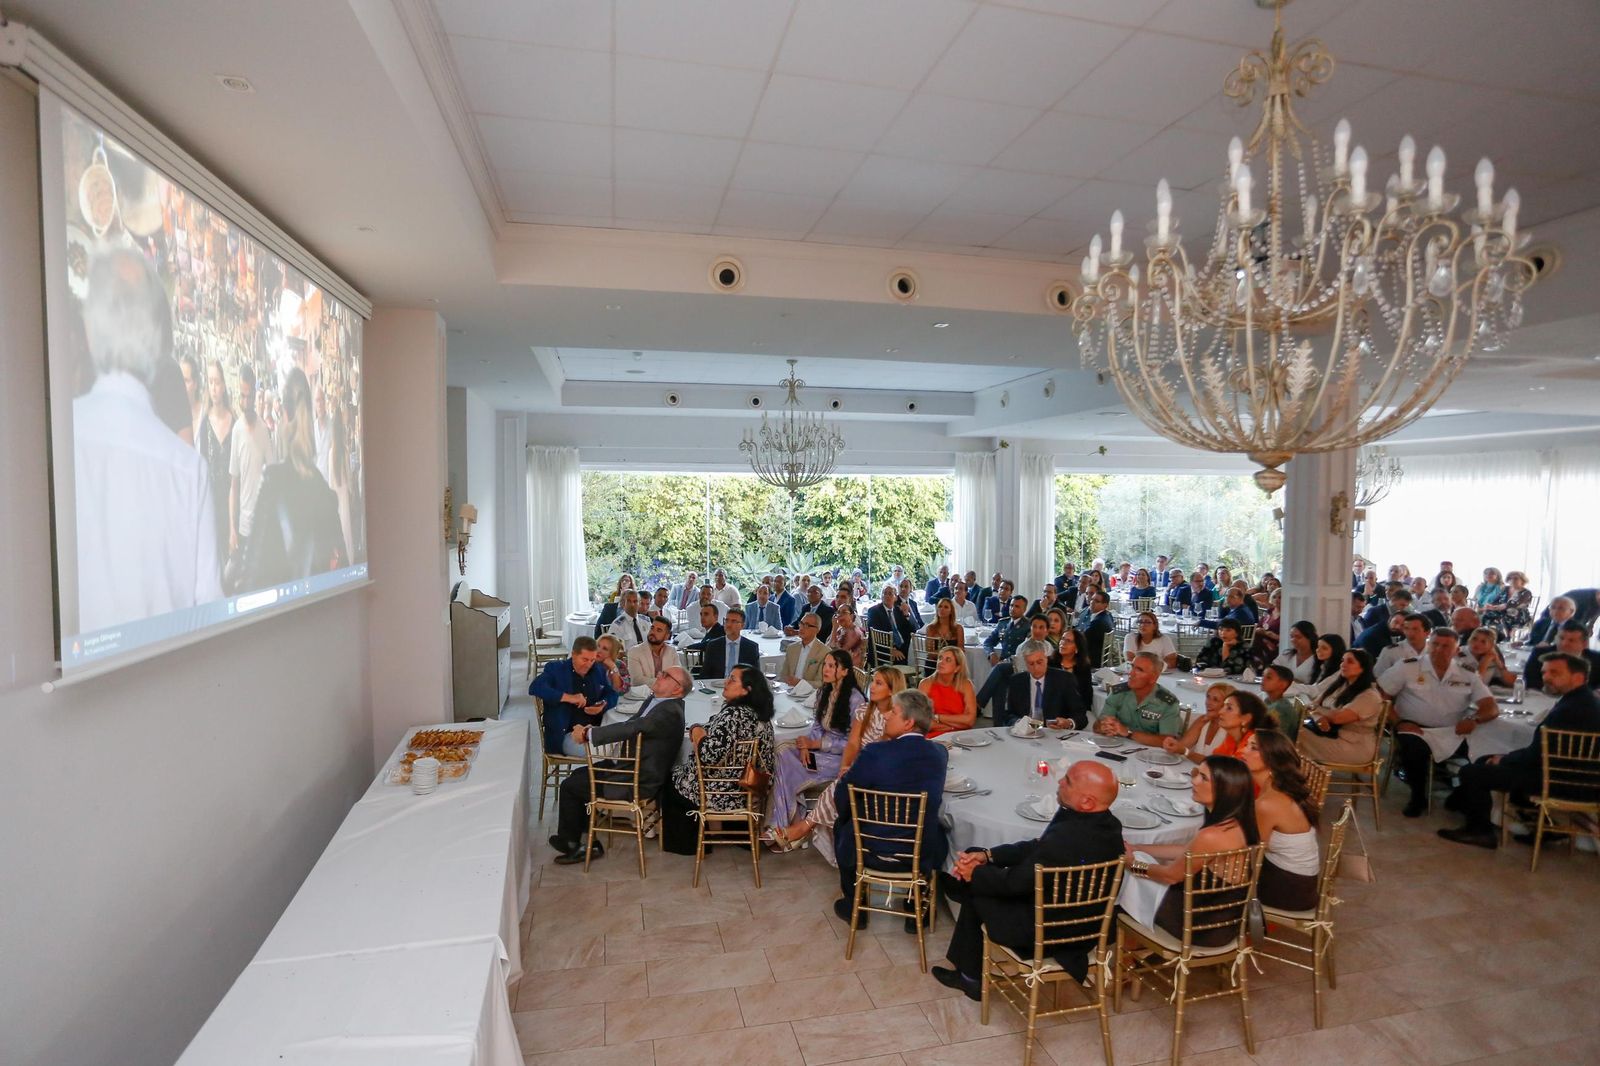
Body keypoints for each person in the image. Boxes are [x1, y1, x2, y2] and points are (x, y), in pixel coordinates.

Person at [72, 249, 223, 632]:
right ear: (159, 341)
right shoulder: (189, 470)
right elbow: (210, 618)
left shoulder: (59, 443)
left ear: (89, 332)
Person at [931, 760, 1124, 1000]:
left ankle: (970, 978)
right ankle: (958, 886)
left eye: (1067, 781)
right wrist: (988, 855)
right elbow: (1037, 848)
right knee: (977, 861)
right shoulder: (1108, 826)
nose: (1059, 782)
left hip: (1048, 932)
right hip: (1082, 924)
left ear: (1087, 801)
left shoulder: (1068, 838)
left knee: (978, 890)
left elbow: (1015, 883)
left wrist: (975, 875)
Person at [1438, 652, 1600, 849]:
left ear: (1578, 677)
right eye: (1544, 672)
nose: (1546, 677)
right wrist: (1505, 759)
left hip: (1565, 781)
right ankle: (1543, 827)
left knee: (1472, 772)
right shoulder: (1582, 700)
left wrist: (1505, 759)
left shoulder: (1572, 709)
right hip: (1572, 776)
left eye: (1555, 673)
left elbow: (1540, 755)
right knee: (1485, 760)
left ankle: (1479, 831)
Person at [829, 690, 949, 926]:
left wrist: (850, 816)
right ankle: (917, 908)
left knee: (842, 825)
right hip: (919, 853)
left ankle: (855, 907)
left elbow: (843, 794)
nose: (885, 716)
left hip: (872, 850)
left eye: (893, 712)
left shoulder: (875, 753)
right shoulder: (939, 755)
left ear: (908, 722)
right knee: (939, 828)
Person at [548, 667, 690, 865]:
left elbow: (633, 727)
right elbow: (630, 724)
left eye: (666, 676)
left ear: (677, 689)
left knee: (570, 786)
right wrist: (593, 730)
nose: (659, 675)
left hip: (638, 779)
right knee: (578, 775)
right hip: (628, 767)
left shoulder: (669, 711)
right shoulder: (657, 701)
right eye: (662, 672)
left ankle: (573, 844)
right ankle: (584, 833)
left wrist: (589, 734)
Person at [765, 667, 907, 855]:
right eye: (873, 681)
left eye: (878, 683)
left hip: (878, 770)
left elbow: (889, 752)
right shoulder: (864, 711)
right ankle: (794, 824)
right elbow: (852, 743)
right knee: (785, 752)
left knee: (839, 786)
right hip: (859, 766)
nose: (872, 686)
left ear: (891, 690)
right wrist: (846, 765)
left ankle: (803, 828)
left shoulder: (897, 719)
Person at [1124, 756, 1258, 946]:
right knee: (1140, 862)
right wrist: (1138, 847)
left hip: (1199, 926)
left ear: (1225, 788)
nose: (1194, 781)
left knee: (1123, 879)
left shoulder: (1213, 835)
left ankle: (1112, 947)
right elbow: (1186, 851)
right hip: (1224, 920)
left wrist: (1132, 864)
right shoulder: (1237, 823)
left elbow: (1171, 876)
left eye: (1203, 778)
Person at [234, 366, 346, 588]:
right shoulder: (324, 491)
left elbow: (251, 577)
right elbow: (343, 572)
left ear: (285, 415)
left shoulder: (272, 482)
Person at [1378, 628, 1499, 817]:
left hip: (1453, 731)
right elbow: (1381, 696)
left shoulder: (1466, 673)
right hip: (1413, 728)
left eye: (1445, 646)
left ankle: (1459, 796)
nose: (1438, 649)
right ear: (1428, 645)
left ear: (1457, 650)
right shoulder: (1408, 667)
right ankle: (1418, 797)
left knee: (1487, 754)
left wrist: (1474, 719)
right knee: (1414, 750)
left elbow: (1491, 707)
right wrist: (1398, 722)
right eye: (1435, 644)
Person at [659, 664, 777, 855]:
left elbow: (708, 755)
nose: (725, 682)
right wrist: (700, 728)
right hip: (748, 790)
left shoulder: (734, 715)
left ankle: (689, 845)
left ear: (746, 689)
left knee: (671, 779)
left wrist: (697, 732)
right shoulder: (759, 714)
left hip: (721, 792)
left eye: (732, 679)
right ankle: (739, 835)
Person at [768, 650, 866, 831]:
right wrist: (806, 746)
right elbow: (817, 727)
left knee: (788, 765)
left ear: (845, 671)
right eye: (825, 665)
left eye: (832, 666)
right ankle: (789, 821)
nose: (825, 670)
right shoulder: (824, 692)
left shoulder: (855, 700)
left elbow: (855, 743)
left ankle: (783, 826)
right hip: (820, 751)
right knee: (781, 750)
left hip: (841, 759)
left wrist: (818, 744)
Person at [1238, 731, 1321, 910]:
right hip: (1299, 879)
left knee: (1212, 871)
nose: (1243, 751)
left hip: (1290, 889)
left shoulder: (1268, 803)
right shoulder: (1278, 788)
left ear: (1272, 759)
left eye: (1253, 748)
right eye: (1246, 745)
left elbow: (1249, 851)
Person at [529, 636, 619, 757]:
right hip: (566, 735)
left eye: (592, 660)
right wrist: (569, 697)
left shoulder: (597, 670)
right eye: (585, 659)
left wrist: (603, 704)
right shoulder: (556, 669)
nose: (588, 664)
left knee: (620, 745)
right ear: (574, 654)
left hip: (593, 731)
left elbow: (612, 694)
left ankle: (598, 769)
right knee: (608, 752)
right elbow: (535, 687)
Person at [1296, 649, 1385, 766]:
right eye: (1343, 660)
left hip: (1353, 746)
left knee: (1294, 735)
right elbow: (1313, 704)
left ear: (1363, 668)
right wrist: (1318, 717)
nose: (1343, 664)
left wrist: (1317, 711)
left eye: (1350, 662)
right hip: (1328, 734)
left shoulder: (1369, 696)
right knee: (1291, 730)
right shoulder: (1340, 685)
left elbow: (1338, 718)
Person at [227, 360, 273, 578]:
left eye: (249, 396)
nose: (246, 402)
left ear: (255, 395)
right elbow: (233, 485)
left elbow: (273, 477)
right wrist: (232, 528)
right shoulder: (236, 431)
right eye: (242, 396)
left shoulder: (264, 431)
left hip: (263, 527)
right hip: (243, 528)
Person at [1096, 652, 1184, 745]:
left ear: (1153, 678)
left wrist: (1128, 733)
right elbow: (1097, 725)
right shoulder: (1118, 693)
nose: (1131, 673)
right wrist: (1103, 727)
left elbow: (1168, 742)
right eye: (1132, 667)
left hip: (1152, 752)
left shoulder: (1167, 703)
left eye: (1139, 670)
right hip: (1118, 746)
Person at [197, 359, 235, 562]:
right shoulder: (204, 425)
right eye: (210, 382)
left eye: (217, 382)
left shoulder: (234, 422)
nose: (213, 387)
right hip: (212, 508)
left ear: (224, 385)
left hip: (232, 507)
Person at [1006, 647, 1087, 729]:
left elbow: (1080, 715)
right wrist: (1019, 723)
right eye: (1031, 664)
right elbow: (1009, 714)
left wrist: (1068, 723)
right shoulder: (1016, 681)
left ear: (1046, 660)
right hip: (1024, 733)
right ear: (1025, 664)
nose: (1036, 667)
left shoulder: (1064, 679)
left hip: (1055, 732)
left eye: (1039, 662)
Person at [1163, 681, 1235, 764]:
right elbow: (1181, 746)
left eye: (1215, 700)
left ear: (1227, 706)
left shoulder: (1232, 730)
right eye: (1208, 697)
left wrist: (1186, 752)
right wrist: (1171, 744)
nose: (1208, 703)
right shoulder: (1203, 721)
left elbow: (1218, 764)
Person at [1522, 620, 1600, 691]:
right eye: (1561, 638)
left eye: (1571, 640)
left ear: (1584, 644)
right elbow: (1529, 680)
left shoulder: (1596, 660)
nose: (1564, 644)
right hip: (1544, 696)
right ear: (1555, 638)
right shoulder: (1540, 653)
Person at [921, 645, 979, 735]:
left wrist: (938, 717)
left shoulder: (966, 685)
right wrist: (953, 726)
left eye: (948, 660)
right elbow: (923, 721)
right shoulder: (926, 684)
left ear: (957, 668)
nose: (941, 662)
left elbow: (970, 720)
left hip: (961, 736)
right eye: (940, 658)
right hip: (934, 735)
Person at [698, 606, 760, 679]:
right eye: (727, 620)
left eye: (733, 621)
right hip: (717, 684)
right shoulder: (713, 646)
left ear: (742, 625)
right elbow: (704, 674)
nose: (728, 625)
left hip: (740, 684)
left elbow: (756, 677)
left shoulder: (751, 647)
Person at [865, 584, 915, 664]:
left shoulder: (897, 610)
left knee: (916, 655)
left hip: (902, 646)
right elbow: (877, 635)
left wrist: (906, 614)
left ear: (895, 598)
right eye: (885, 593)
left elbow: (910, 630)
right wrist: (891, 649)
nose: (887, 596)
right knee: (902, 660)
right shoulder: (874, 611)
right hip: (883, 649)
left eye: (890, 594)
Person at [626, 616, 680, 684]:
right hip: (644, 691)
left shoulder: (672, 652)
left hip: (668, 690)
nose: (653, 632)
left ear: (667, 636)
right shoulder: (635, 651)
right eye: (652, 628)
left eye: (659, 630)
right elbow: (637, 680)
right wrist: (664, 683)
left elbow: (678, 676)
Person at [781, 613, 829, 687]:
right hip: (788, 689)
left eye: (807, 625)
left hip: (810, 692)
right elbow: (783, 675)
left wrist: (799, 683)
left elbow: (821, 683)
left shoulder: (824, 652)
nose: (802, 628)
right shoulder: (791, 648)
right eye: (801, 623)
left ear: (817, 630)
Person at [1052, 628, 1096, 709]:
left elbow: (1087, 696)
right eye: (1062, 639)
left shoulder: (1083, 667)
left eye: (1068, 641)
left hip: (1075, 710)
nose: (1063, 643)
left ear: (1077, 648)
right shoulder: (1050, 663)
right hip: (1053, 709)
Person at [1375, 613, 1430, 677]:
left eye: (1415, 629)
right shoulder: (1390, 652)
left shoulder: (1434, 651)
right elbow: (1378, 676)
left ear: (1427, 632)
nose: (1410, 633)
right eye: (1406, 628)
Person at [1260, 664, 1302, 741]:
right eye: (1263, 676)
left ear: (1282, 685)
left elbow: (1273, 739)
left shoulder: (1280, 709)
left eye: (1268, 677)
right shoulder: (1268, 701)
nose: (1263, 679)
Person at [1484, 570, 1534, 636]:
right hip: (1502, 612)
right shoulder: (1505, 589)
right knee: (1487, 615)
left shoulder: (1526, 592)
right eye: (1510, 578)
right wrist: (1490, 606)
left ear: (1522, 580)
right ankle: (1490, 634)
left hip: (1518, 615)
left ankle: (1505, 636)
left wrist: (1496, 607)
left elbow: (1513, 604)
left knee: (1504, 617)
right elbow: (1496, 601)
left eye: (1516, 578)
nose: (1512, 580)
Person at [1076, 590, 1115, 666]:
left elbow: (1081, 639)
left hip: (1092, 658)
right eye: (1092, 599)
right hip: (1098, 653)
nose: (1092, 602)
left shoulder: (1098, 622)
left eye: (1097, 601)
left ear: (1105, 605)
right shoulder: (1107, 615)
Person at [828, 602, 866, 668]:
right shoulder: (841, 629)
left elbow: (837, 653)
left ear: (851, 616)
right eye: (838, 612)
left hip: (849, 669)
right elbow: (827, 646)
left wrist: (834, 628)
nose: (840, 615)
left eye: (844, 612)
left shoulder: (855, 633)